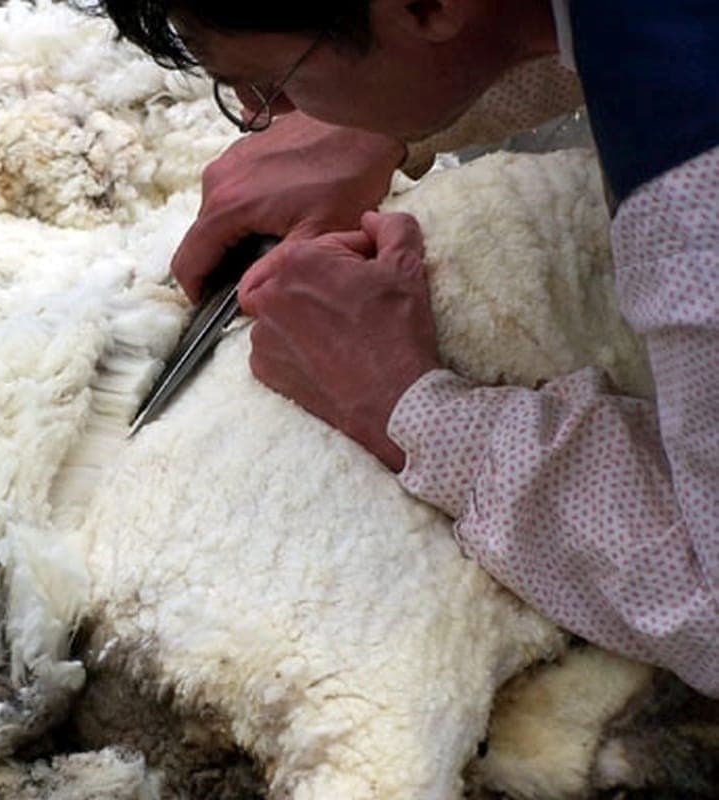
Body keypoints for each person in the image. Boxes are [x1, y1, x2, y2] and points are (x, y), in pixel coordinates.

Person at [87, 0, 719, 697]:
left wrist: (407, 403)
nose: (268, 113)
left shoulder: (693, 194)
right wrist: (381, 122)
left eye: (274, 84)